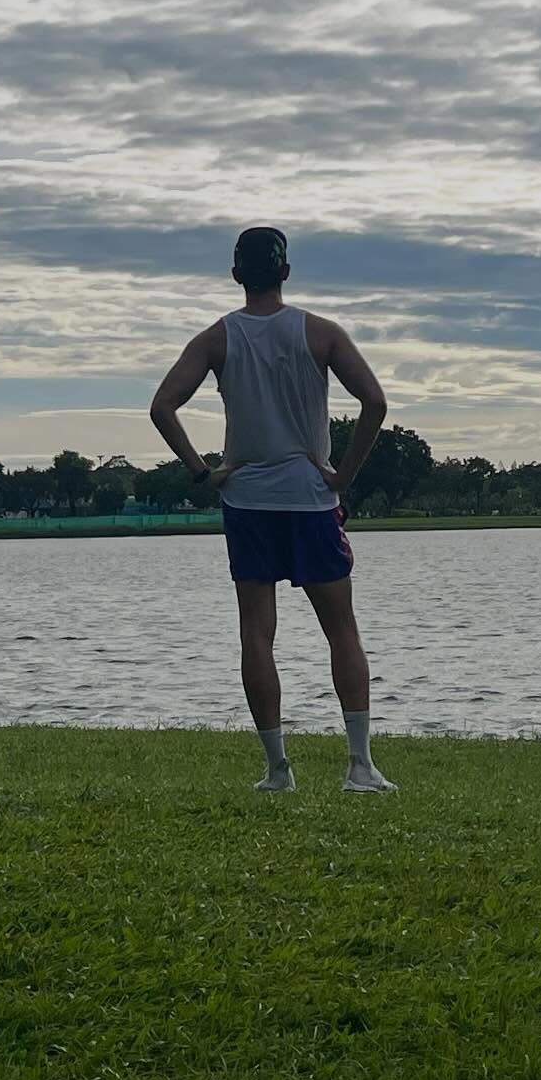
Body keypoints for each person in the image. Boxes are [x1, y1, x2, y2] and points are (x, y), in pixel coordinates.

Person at [149, 226, 396, 794]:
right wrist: (344, 475)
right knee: (342, 631)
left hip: (248, 503)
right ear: (286, 272)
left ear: (237, 274)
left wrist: (200, 472)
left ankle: (277, 769)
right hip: (311, 500)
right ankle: (359, 765)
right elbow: (375, 402)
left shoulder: (217, 338)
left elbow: (163, 406)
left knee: (257, 635)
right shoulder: (321, 333)